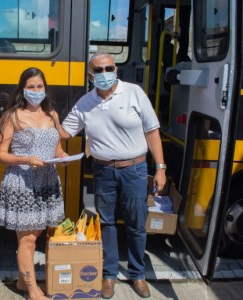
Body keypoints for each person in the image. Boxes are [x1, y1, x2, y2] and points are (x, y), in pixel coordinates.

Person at [58, 52, 167, 299]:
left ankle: (137, 274)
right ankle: (108, 274)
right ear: (90, 75)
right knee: (106, 223)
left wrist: (160, 168)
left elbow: (152, 132)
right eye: (98, 70)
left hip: (135, 170)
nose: (104, 73)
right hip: (103, 170)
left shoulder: (134, 93)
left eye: (108, 68)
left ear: (116, 69)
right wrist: (44, 116)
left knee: (136, 223)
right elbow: (65, 132)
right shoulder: (85, 102)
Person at [0, 67, 66, 300]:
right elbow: (0, 154)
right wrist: (25, 159)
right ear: (22, 90)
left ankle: (23, 282)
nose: (36, 91)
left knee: (37, 236)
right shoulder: (13, 116)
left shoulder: (52, 114)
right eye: (31, 87)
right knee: (28, 240)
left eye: (39, 86)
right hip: (23, 182)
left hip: (47, 182)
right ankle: (33, 290)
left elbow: (56, 147)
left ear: (45, 88)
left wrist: (62, 155)